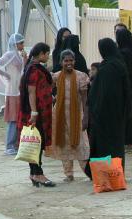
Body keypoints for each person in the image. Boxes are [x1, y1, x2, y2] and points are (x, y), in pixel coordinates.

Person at [86, 38, 130, 178]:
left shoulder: (106, 69)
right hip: (118, 115)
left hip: (104, 117)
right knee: (116, 145)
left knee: (103, 146)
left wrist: (94, 110)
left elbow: (100, 95)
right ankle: (117, 175)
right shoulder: (120, 65)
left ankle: (105, 176)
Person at [18, 42, 55, 187]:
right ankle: (38, 173)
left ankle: (34, 173)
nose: (48, 56)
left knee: (34, 141)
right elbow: (32, 91)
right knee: (36, 142)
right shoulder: (34, 70)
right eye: (47, 54)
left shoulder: (33, 67)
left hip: (39, 110)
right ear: (41, 54)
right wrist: (34, 112)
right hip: (36, 112)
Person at [51, 50, 90, 182]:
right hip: (60, 116)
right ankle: (69, 174)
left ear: (74, 61)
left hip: (77, 115)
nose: (69, 63)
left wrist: (86, 116)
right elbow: (47, 91)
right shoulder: (56, 76)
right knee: (64, 144)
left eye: (71, 60)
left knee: (81, 144)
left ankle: (88, 172)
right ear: (61, 62)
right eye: (66, 60)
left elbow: (85, 99)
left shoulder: (81, 76)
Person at [0, 33, 27, 155]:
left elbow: (22, 71)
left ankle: (16, 144)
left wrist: (25, 59)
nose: (22, 45)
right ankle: (9, 146)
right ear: (15, 44)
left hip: (18, 89)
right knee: (13, 119)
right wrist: (5, 75)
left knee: (19, 118)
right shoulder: (9, 55)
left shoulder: (19, 55)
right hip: (12, 91)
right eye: (21, 43)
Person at [116, 28, 132, 149]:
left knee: (124, 113)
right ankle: (130, 140)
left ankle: (126, 140)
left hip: (123, 86)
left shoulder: (123, 52)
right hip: (131, 84)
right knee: (130, 112)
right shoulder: (131, 50)